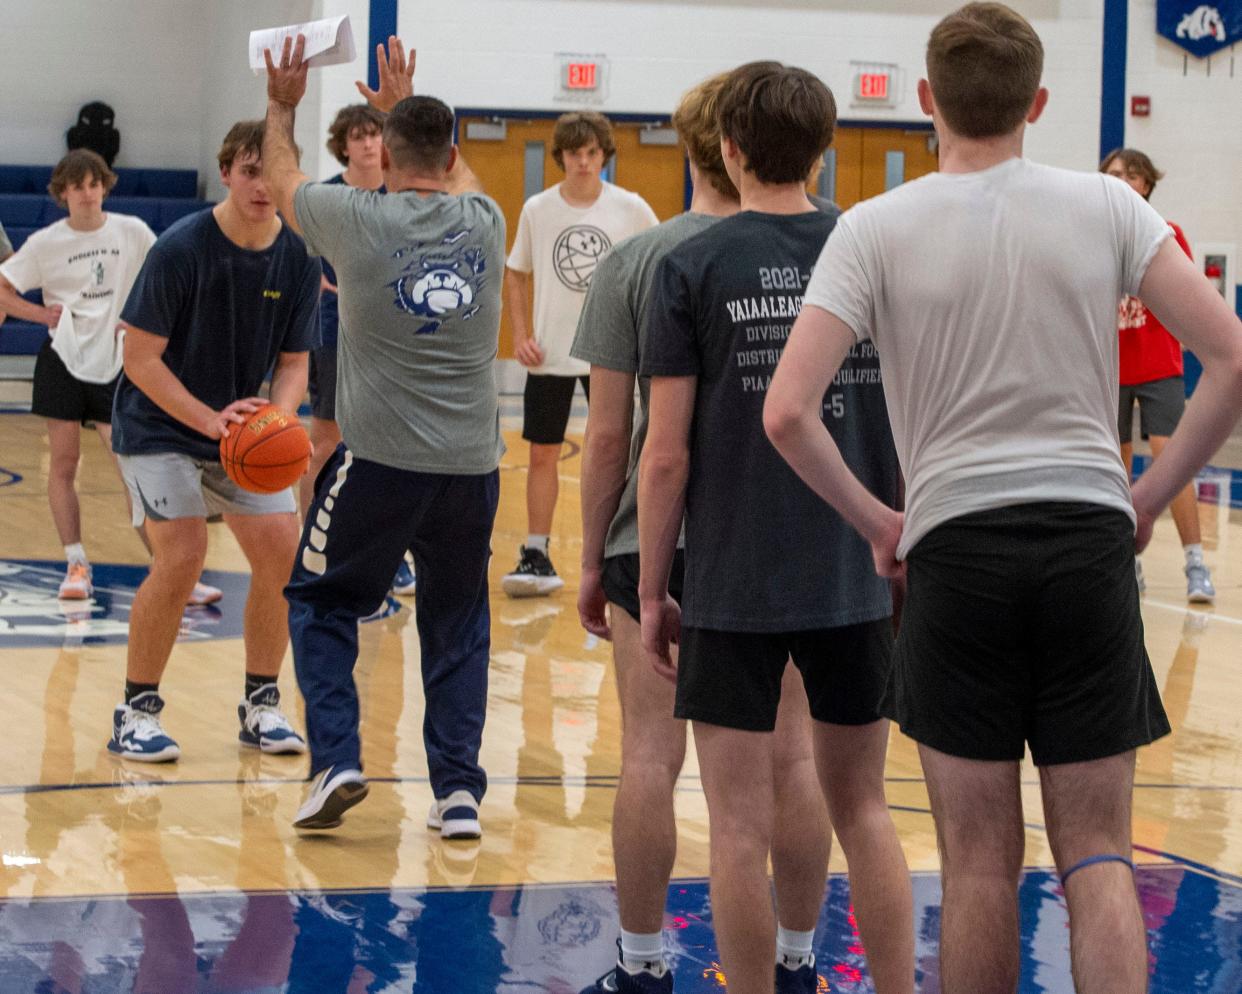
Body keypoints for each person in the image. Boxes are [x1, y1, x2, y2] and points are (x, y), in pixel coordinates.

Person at [763, 5, 1242, 992]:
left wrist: (881, 523)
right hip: (1086, 545)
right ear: (1040, 102)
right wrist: (1149, 493)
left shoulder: (872, 226)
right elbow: (1230, 353)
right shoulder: (1110, 207)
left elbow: (787, 413)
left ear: (928, 99)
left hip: (955, 553)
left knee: (980, 860)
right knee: (1100, 852)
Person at [639, 62, 913, 994]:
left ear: (726, 148)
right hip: (858, 570)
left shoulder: (690, 264)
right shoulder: (876, 248)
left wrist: (648, 584)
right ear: (826, 148)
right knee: (865, 808)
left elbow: (664, 454)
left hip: (731, 577)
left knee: (736, 828)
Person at [571, 72, 836, 994]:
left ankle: (643, 964)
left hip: (665, 537)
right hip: (792, 534)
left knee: (649, 757)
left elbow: (612, 434)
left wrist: (590, 557)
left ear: (705, 148)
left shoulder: (644, 260)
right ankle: (795, 959)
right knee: (796, 757)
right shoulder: (832, 246)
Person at [264, 35, 505, 835]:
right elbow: (443, 164)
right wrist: (402, 106)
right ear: (455, 152)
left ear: (385, 153)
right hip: (472, 469)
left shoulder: (353, 218)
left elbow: (281, 175)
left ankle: (336, 758)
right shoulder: (485, 219)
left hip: (378, 466)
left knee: (319, 599)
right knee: (457, 618)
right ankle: (459, 792)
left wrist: (284, 103)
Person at [108, 119, 320, 762]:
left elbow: (293, 363)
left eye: (271, 173)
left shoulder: (299, 257)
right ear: (226, 173)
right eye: (248, 171)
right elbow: (140, 358)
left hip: (235, 432)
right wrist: (212, 422)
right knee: (183, 555)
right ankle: (136, 711)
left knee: (284, 553)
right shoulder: (179, 249)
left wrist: (275, 423)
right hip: (158, 425)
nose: (260, 186)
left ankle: (261, 705)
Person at [0, 152, 223, 607]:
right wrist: (39, 313)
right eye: (77, 185)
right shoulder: (46, 242)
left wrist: (148, 319)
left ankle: (168, 569)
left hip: (118, 364)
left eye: (94, 183)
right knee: (63, 465)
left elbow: (167, 277)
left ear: (105, 187)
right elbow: (4, 285)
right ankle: (76, 563)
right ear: (62, 193)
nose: (87, 192)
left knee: (132, 470)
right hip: (63, 359)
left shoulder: (132, 232)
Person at [503, 111, 657, 597]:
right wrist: (521, 333)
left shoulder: (631, 209)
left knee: (621, 453)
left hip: (611, 352)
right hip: (550, 352)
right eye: (574, 153)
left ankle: (624, 550)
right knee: (542, 453)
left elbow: (661, 262)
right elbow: (515, 272)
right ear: (561, 157)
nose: (584, 162)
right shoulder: (538, 208)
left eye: (592, 153)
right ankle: (536, 550)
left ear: (604, 156)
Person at [305, 103, 417, 599]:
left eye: (376, 134)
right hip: (334, 330)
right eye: (359, 136)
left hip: (392, 336)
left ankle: (391, 553)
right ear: (343, 143)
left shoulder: (404, 193)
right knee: (327, 436)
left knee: (390, 444)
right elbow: (298, 261)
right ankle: (316, 540)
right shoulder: (326, 196)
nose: (369, 143)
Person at [1101, 148, 1215, 603]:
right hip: (1110, 367)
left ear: (1147, 184)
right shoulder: (1096, 236)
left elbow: (1188, 296)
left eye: (1131, 175)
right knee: (1115, 468)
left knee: (1171, 459)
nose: (1122, 181)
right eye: (1112, 175)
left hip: (1158, 364)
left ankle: (1195, 562)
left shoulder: (1167, 233)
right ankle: (1126, 562)